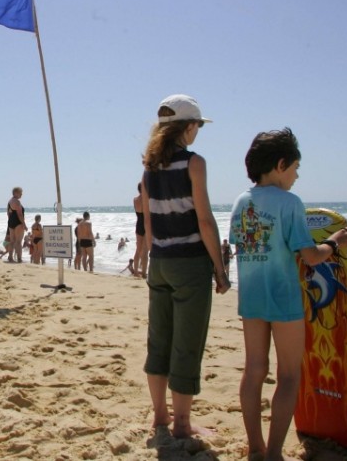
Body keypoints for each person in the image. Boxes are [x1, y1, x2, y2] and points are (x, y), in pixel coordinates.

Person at [230, 128, 347, 461]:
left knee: (254, 369)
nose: (297, 176)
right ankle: (273, 453)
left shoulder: (242, 202)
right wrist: (336, 240)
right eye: (295, 168)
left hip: (252, 297)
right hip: (284, 298)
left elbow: (243, 246)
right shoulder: (290, 203)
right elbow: (310, 256)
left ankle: (254, 448)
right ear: (281, 163)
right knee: (288, 375)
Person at [140, 94, 230, 439]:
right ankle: (181, 423)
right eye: (197, 127)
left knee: (159, 340)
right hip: (189, 264)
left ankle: (160, 415)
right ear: (188, 127)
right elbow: (205, 221)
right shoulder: (194, 163)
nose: (197, 134)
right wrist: (220, 270)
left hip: (159, 261)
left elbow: (148, 225)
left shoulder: (148, 168)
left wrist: (152, 259)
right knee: (186, 344)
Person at [6, 187, 27, 263]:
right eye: (20, 193)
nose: (21, 194)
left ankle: (10, 257)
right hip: (18, 222)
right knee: (18, 241)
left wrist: (10, 221)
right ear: (15, 193)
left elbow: (8, 213)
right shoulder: (17, 202)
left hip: (11, 222)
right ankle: (19, 258)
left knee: (12, 241)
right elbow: (20, 215)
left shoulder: (9, 201)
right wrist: (24, 224)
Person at [133, 183, 148, 278]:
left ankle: (135, 271)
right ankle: (143, 273)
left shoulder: (135, 200)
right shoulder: (147, 198)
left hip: (139, 224)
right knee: (145, 251)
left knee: (138, 249)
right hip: (146, 224)